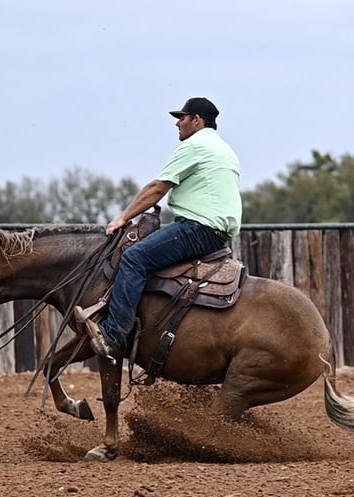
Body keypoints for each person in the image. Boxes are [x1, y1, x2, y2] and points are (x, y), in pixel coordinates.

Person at [76, 97, 242, 359]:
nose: (178, 123)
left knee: (134, 258)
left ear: (197, 120)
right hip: (216, 233)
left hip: (198, 229)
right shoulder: (222, 149)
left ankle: (113, 334)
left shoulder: (196, 145)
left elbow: (157, 188)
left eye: (182, 117)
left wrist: (122, 219)